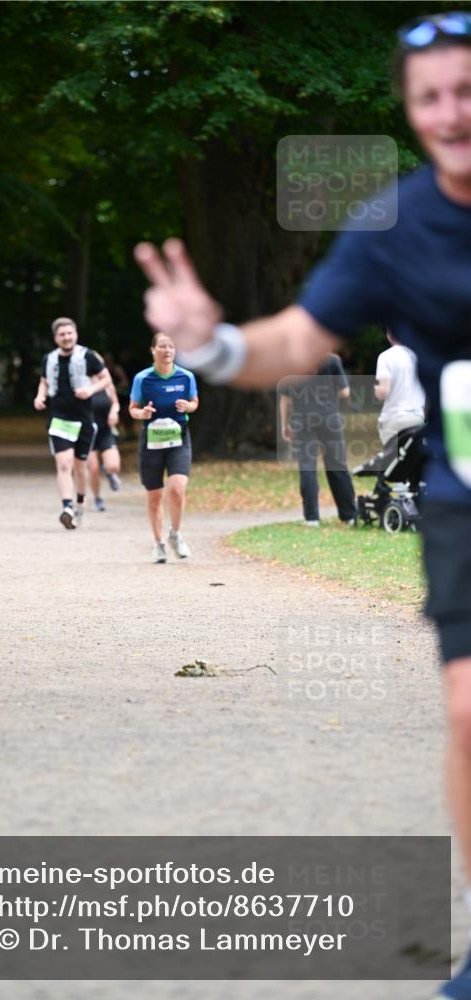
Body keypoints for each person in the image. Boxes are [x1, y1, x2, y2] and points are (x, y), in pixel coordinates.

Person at [134, 14, 471, 997]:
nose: (452, 112)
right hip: (464, 502)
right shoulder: (394, 224)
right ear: (408, 111)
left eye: (466, 90)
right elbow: (293, 340)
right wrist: (211, 343)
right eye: (430, 97)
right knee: (467, 709)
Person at [33, 318, 111, 529]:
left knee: (80, 466)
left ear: (76, 335)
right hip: (59, 418)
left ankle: (79, 503)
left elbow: (106, 378)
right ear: (55, 338)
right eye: (62, 334)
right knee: (64, 463)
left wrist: (90, 390)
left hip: (84, 418)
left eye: (69, 333)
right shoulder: (49, 359)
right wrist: (40, 396)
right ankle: (67, 507)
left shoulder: (88, 356)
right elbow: (44, 381)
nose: (66, 337)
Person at [129, 332, 199, 563]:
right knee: (155, 496)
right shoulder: (143, 379)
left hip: (179, 438)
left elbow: (195, 402)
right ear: (153, 350)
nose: (167, 350)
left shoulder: (186, 376)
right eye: (162, 346)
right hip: (151, 441)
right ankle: (158, 543)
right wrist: (142, 413)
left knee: (177, 489)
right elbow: (132, 408)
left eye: (171, 346)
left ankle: (175, 535)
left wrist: (188, 406)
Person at [279, 354, 357, 526]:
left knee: (307, 467)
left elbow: (285, 398)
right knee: (337, 465)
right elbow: (345, 392)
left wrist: (284, 425)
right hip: (329, 419)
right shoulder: (332, 360)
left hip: (303, 421)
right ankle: (349, 515)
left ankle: (312, 518)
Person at [375, 329, 427, 444]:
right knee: (413, 454)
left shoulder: (385, 357)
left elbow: (383, 391)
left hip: (393, 417)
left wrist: (375, 390)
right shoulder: (419, 356)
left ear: (389, 335)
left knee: (392, 454)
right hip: (416, 417)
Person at [87, 367, 122, 511]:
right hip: (87, 433)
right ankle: (97, 498)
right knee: (93, 469)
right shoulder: (80, 384)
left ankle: (108, 472)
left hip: (105, 431)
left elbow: (115, 403)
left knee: (114, 466)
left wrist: (114, 412)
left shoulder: (107, 384)